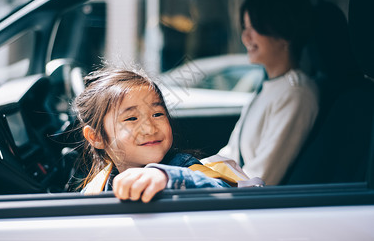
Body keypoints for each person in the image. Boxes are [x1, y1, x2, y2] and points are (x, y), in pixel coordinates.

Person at [73, 66, 258, 202]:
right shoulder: (97, 188)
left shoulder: (183, 167)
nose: (150, 128)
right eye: (131, 119)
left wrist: (167, 177)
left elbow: (222, 191)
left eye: (157, 114)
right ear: (96, 137)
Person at [212, 0, 319, 185]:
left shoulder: (296, 94)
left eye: (255, 28)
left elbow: (261, 178)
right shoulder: (269, 87)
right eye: (245, 28)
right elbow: (231, 154)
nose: (245, 37)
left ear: (284, 33)